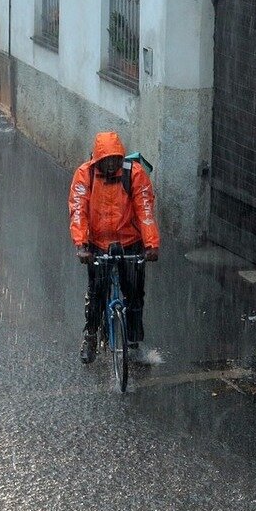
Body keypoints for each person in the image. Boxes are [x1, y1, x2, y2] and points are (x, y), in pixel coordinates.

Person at [68, 131, 160, 364]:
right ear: (97, 160)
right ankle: (90, 335)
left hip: (130, 242)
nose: (110, 165)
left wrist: (151, 244)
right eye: (106, 160)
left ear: (121, 157)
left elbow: (144, 210)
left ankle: (134, 341)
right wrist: (81, 245)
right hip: (98, 243)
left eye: (115, 159)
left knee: (135, 294)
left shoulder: (134, 174)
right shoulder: (85, 174)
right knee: (97, 292)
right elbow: (78, 211)